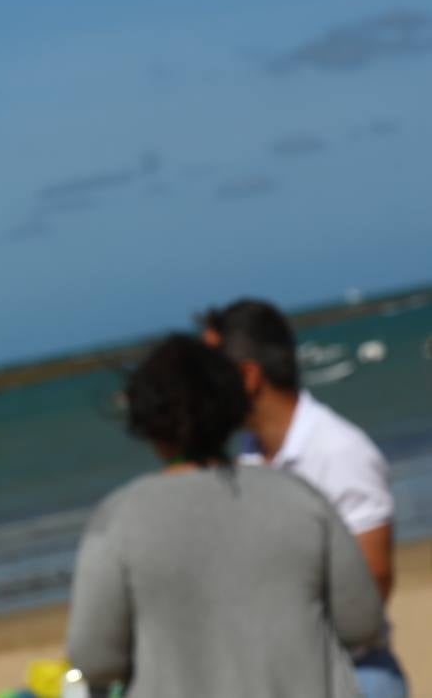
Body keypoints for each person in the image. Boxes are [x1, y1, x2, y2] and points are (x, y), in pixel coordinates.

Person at [67, 335, 383, 697]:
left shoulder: (119, 519)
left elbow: (95, 659)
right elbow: (362, 622)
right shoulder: (299, 498)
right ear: (233, 406)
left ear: (145, 420)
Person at [202, 298, 407, 698]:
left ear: (247, 376)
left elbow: (374, 581)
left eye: (210, 373)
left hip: (352, 675)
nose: (202, 388)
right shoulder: (248, 456)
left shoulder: (339, 450)